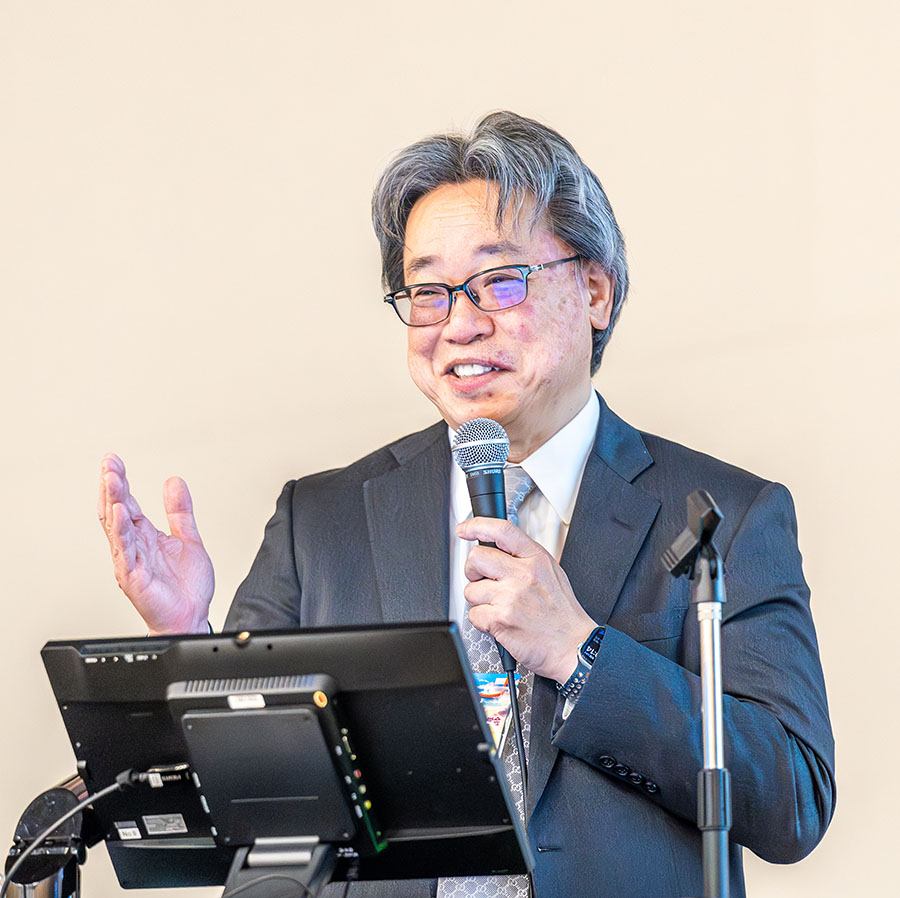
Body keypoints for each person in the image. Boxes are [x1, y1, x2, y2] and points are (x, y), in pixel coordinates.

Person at [97, 111, 835, 898]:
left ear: (594, 290)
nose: (460, 324)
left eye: (499, 280)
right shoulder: (323, 521)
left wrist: (581, 652)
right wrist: (185, 642)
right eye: (428, 291)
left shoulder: (725, 515)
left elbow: (792, 801)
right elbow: (250, 802)